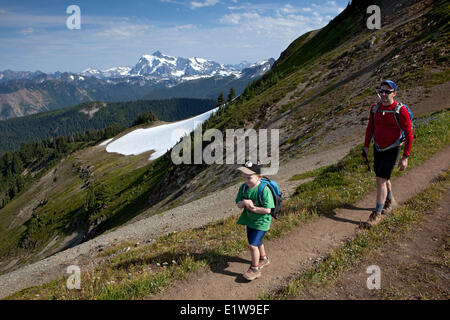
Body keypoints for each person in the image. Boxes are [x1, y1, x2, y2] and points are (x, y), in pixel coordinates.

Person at [362, 80, 413, 227]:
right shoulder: (374, 108)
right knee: (382, 177)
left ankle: (377, 214)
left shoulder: (400, 111)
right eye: (381, 91)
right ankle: (390, 201)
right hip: (378, 147)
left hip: (392, 148)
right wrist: (366, 146)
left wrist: (405, 157)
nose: (383, 94)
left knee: (381, 180)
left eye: (387, 92)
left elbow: (409, 134)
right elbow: (370, 127)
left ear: (394, 93)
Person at [235, 161, 275, 281]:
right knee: (257, 243)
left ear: (259, 176)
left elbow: (268, 210)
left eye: (249, 177)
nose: (246, 180)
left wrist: (253, 208)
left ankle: (255, 269)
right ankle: (264, 258)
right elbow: (238, 204)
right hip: (250, 221)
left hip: (262, 222)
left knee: (252, 245)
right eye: (243, 177)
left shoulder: (264, 190)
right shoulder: (243, 188)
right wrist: (244, 203)